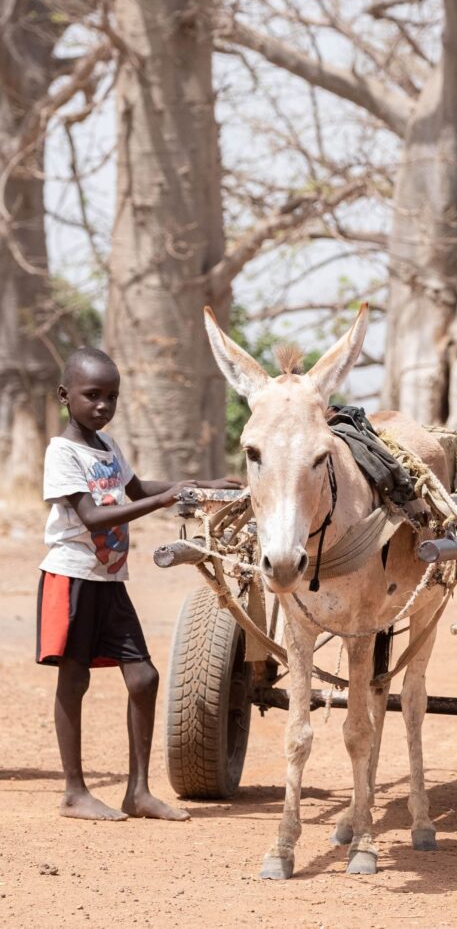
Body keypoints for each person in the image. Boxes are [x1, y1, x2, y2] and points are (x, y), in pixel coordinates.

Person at [36, 345, 233, 821]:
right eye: (92, 395)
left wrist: (200, 486)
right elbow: (92, 517)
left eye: (112, 397)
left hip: (108, 580)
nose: (103, 405)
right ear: (65, 396)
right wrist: (164, 503)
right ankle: (74, 792)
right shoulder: (62, 452)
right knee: (75, 678)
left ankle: (138, 791)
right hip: (72, 576)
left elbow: (136, 489)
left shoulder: (108, 448)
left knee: (143, 677)